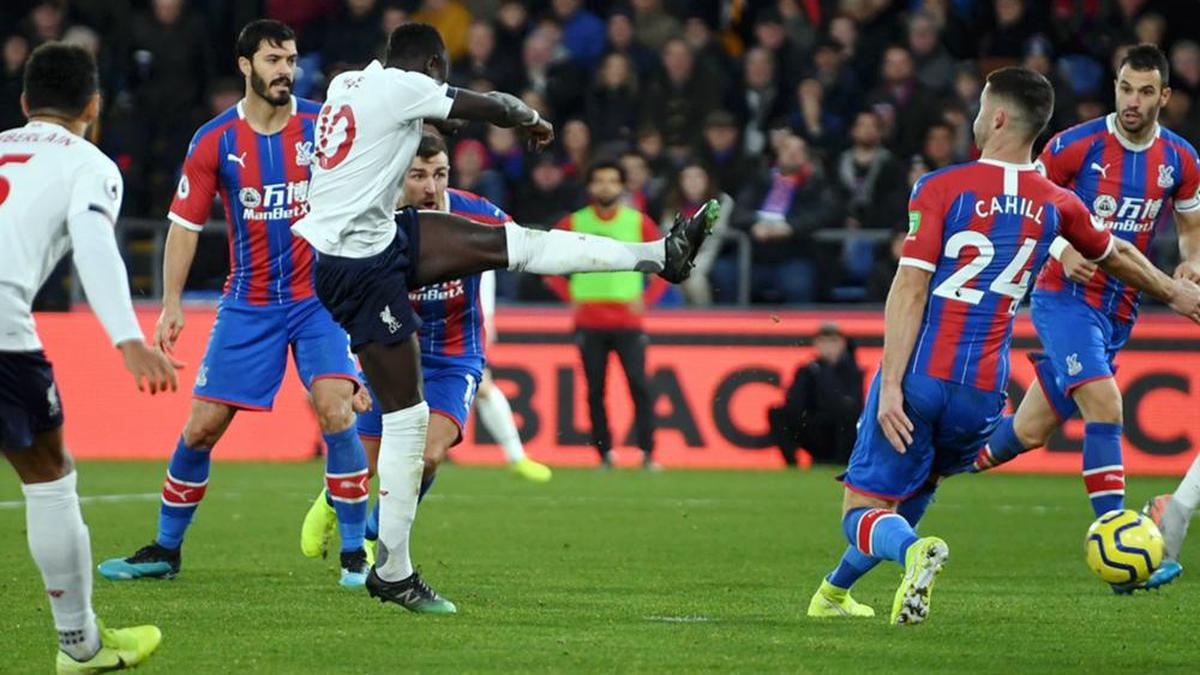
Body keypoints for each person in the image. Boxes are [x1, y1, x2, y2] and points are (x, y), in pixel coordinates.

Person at [290, 23, 714, 613]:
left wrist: (442, 118)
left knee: (514, 245)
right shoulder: (406, 89)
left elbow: (411, 123)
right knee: (409, 423)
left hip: (375, 241)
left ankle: (657, 256)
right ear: (434, 63)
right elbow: (495, 106)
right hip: (362, 270)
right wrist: (531, 120)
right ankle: (391, 570)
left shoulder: (348, 83)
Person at [805, 66, 1200, 626]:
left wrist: (890, 383)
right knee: (920, 486)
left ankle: (913, 552)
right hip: (984, 392)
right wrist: (1173, 293)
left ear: (994, 117)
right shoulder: (1056, 201)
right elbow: (1116, 254)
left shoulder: (940, 187)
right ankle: (834, 593)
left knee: (861, 509)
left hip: (923, 376)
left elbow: (910, 287)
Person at [96, 20, 376, 589]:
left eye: (291, 60)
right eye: (274, 60)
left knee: (336, 411)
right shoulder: (215, 139)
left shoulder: (323, 126)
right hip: (248, 304)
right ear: (245, 65)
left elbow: (365, 196)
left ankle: (354, 556)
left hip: (318, 298)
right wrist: (171, 302)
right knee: (201, 429)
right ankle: (165, 552)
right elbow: (184, 225)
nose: (286, 71)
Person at [969, 45, 1200, 591]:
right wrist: (1057, 249)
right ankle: (1123, 553)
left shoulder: (1182, 160)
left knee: (1026, 433)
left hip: (1121, 309)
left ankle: (930, 466)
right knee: (1106, 403)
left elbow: (1190, 227)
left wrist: (1190, 264)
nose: (1132, 101)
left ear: (1164, 96)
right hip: (1063, 298)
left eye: (1145, 92)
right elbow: (1026, 200)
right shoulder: (1075, 145)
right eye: (1125, 88)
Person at [1, 41, 176, 673]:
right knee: (50, 476)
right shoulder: (90, 164)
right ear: (94, 107)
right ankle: (80, 646)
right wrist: (128, 337)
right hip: (3, 332)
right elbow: (95, 242)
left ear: (24, 104)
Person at [300, 132, 553, 561]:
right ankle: (332, 499)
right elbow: (338, 296)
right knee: (367, 464)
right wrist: (347, 364)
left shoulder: (477, 213)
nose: (430, 187)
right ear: (397, 174)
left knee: (428, 456)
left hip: (455, 356)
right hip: (390, 351)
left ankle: (374, 531)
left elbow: (530, 247)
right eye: (418, 175)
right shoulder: (371, 220)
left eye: (440, 174)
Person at [545, 160, 670, 469]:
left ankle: (648, 452)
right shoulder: (574, 222)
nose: (605, 187)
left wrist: (647, 298)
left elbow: (665, 263)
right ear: (589, 186)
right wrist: (570, 294)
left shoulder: (638, 222)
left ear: (622, 186)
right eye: (599, 180)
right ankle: (604, 454)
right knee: (595, 390)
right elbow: (546, 264)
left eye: (612, 181)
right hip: (589, 320)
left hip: (627, 320)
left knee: (639, 386)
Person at [769, 323, 863, 467]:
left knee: (848, 415)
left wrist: (824, 372)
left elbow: (850, 404)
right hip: (816, 428)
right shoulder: (807, 371)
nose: (828, 347)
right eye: (823, 342)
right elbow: (794, 403)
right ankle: (792, 464)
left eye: (833, 341)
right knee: (777, 413)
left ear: (843, 344)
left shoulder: (852, 371)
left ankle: (841, 463)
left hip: (840, 431)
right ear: (816, 345)